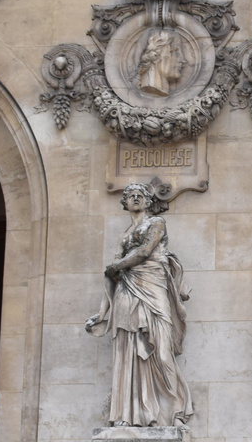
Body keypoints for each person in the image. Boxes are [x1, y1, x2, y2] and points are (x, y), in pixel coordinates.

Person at [83, 183, 195, 427]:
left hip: (153, 288)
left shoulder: (156, 223)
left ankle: (173, 412)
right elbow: (109, 277)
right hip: (126, 292)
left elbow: (144, 252)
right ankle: (128, 415)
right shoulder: (124, 236)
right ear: (125, 203)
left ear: (147, 202)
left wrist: (117, 266)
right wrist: (102, 313)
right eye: (130, 195)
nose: (135, 198)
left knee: (162, 352)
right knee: (127, 351)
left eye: (140, 195)